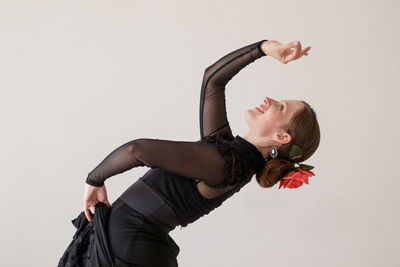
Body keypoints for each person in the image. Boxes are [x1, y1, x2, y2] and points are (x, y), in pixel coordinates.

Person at [58, 38, 320, 267]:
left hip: (127, 249)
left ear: (281, 137)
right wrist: (264, 48)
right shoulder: (230, 153)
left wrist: (94, 179)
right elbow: (213, 79)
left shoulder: (229, 163)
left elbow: (136, 151)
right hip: (126, 243)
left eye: (281, 107)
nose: (270, 100)